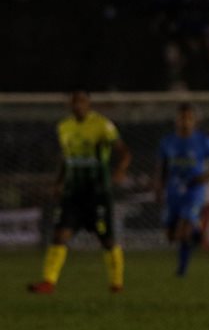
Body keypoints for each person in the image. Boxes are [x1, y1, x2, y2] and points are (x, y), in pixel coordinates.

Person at [28, 89, 133, 294]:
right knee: (59, 235)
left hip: (98, 192)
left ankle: (116, 283)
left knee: (107, 240)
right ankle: (48, 282)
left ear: (88, 104)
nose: (78, 106)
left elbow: (124, 152)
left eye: (82, 102)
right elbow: (66, 159)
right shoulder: (64, 127)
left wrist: (120, 171)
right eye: (75, 102)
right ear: (70, 105)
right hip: (73, 193)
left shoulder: (102, 125)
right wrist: (58, 183)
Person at [156, 103, 209, 277]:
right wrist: (159, 186)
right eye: (182, 118)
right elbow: (162, 166)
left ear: (195, 121)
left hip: (193, 190)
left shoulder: (203, 141)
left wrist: (207, 177)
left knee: (183, 231)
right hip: (173, 191)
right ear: (176, 120)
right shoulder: (167, 142)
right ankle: (197, 233)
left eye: (189, 118)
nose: (185, 121)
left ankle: (182, 270)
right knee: (171, 236)